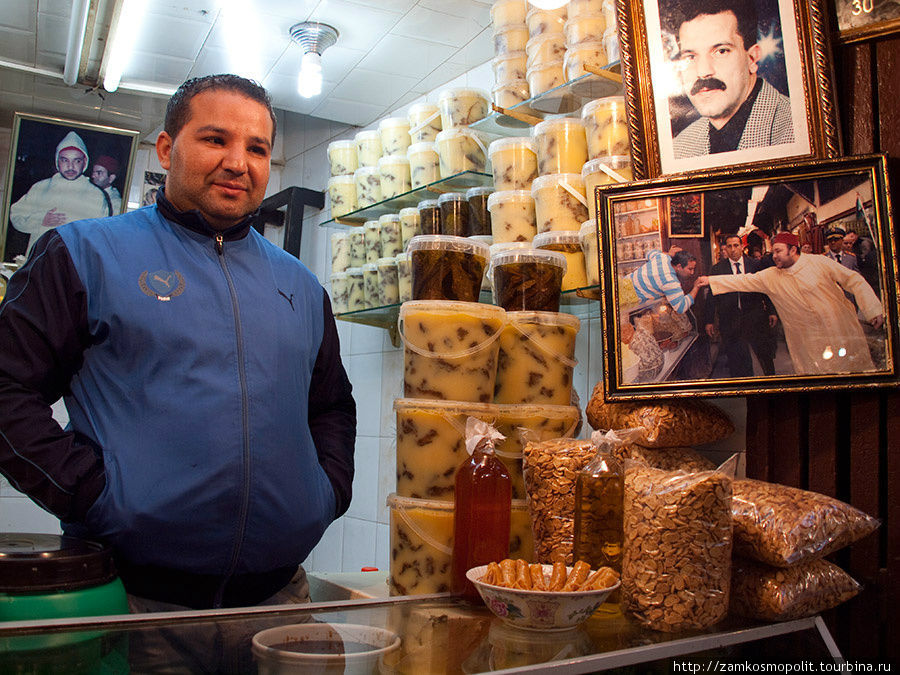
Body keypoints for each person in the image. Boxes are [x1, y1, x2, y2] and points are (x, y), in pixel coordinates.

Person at [0, 74, 356, 611]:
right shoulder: (84, 254)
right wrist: (91, 493)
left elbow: (331, 405)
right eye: (216, 139)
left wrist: (325, 493)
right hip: (136, 604)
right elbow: (6, 388)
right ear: (167, 148)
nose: (239, 162)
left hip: (281, 599)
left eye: (257, 148)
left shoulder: (301, 286)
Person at [698, 232, 884, 374]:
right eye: (774, 251)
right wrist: (710, 281)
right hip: (807, 342)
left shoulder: (819, 263)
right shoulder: (771, 275)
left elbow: (853, 279)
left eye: (778, 251)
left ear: (793, 250)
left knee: (853, 373)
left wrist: (873, 308)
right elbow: (743, 281)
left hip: (839, 329)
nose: (774, 256)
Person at [662, 0, 794, 159]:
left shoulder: (797, 132)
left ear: (752, 59)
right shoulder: (681, 148)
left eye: (721, 51)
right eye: (690, 56)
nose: (704, 72)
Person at [8, 131, 111, 256]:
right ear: (58, 161)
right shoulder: (41, 188)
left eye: (76, 161)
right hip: (39, 262)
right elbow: (16, 216)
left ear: (85, 162)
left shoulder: (96, 196)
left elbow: (101, 236)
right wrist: (41, 220)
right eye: (65, 160)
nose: (70, 166)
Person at [703, 234, 778, 376]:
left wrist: (771, 311)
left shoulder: (755, 265)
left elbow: (765, 290)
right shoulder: (718, 269)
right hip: (730, 320)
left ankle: (771, 381)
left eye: (736, 245)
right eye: (729, 246)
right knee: (737, 360)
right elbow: (711, 298)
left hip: (755, 317)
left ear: (742, 247)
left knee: (764, 354)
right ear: (725, 248)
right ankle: (743, 387)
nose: (733, 249)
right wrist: (709, 321)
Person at [628, 246, 703, 313]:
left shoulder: (662, 257)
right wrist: (696, 287)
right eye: (690, 269)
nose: (692, 272)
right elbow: (681, 307)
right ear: (679, 266)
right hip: (628, 300)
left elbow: (649, 253)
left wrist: (668, 253)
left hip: (623, 283)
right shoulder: (670, 281)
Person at [844, 229, 880, 295]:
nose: (849, 245)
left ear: (856, 235)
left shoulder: (864, 243)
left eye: (852, 236)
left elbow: (865, 258)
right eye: (846, 243)